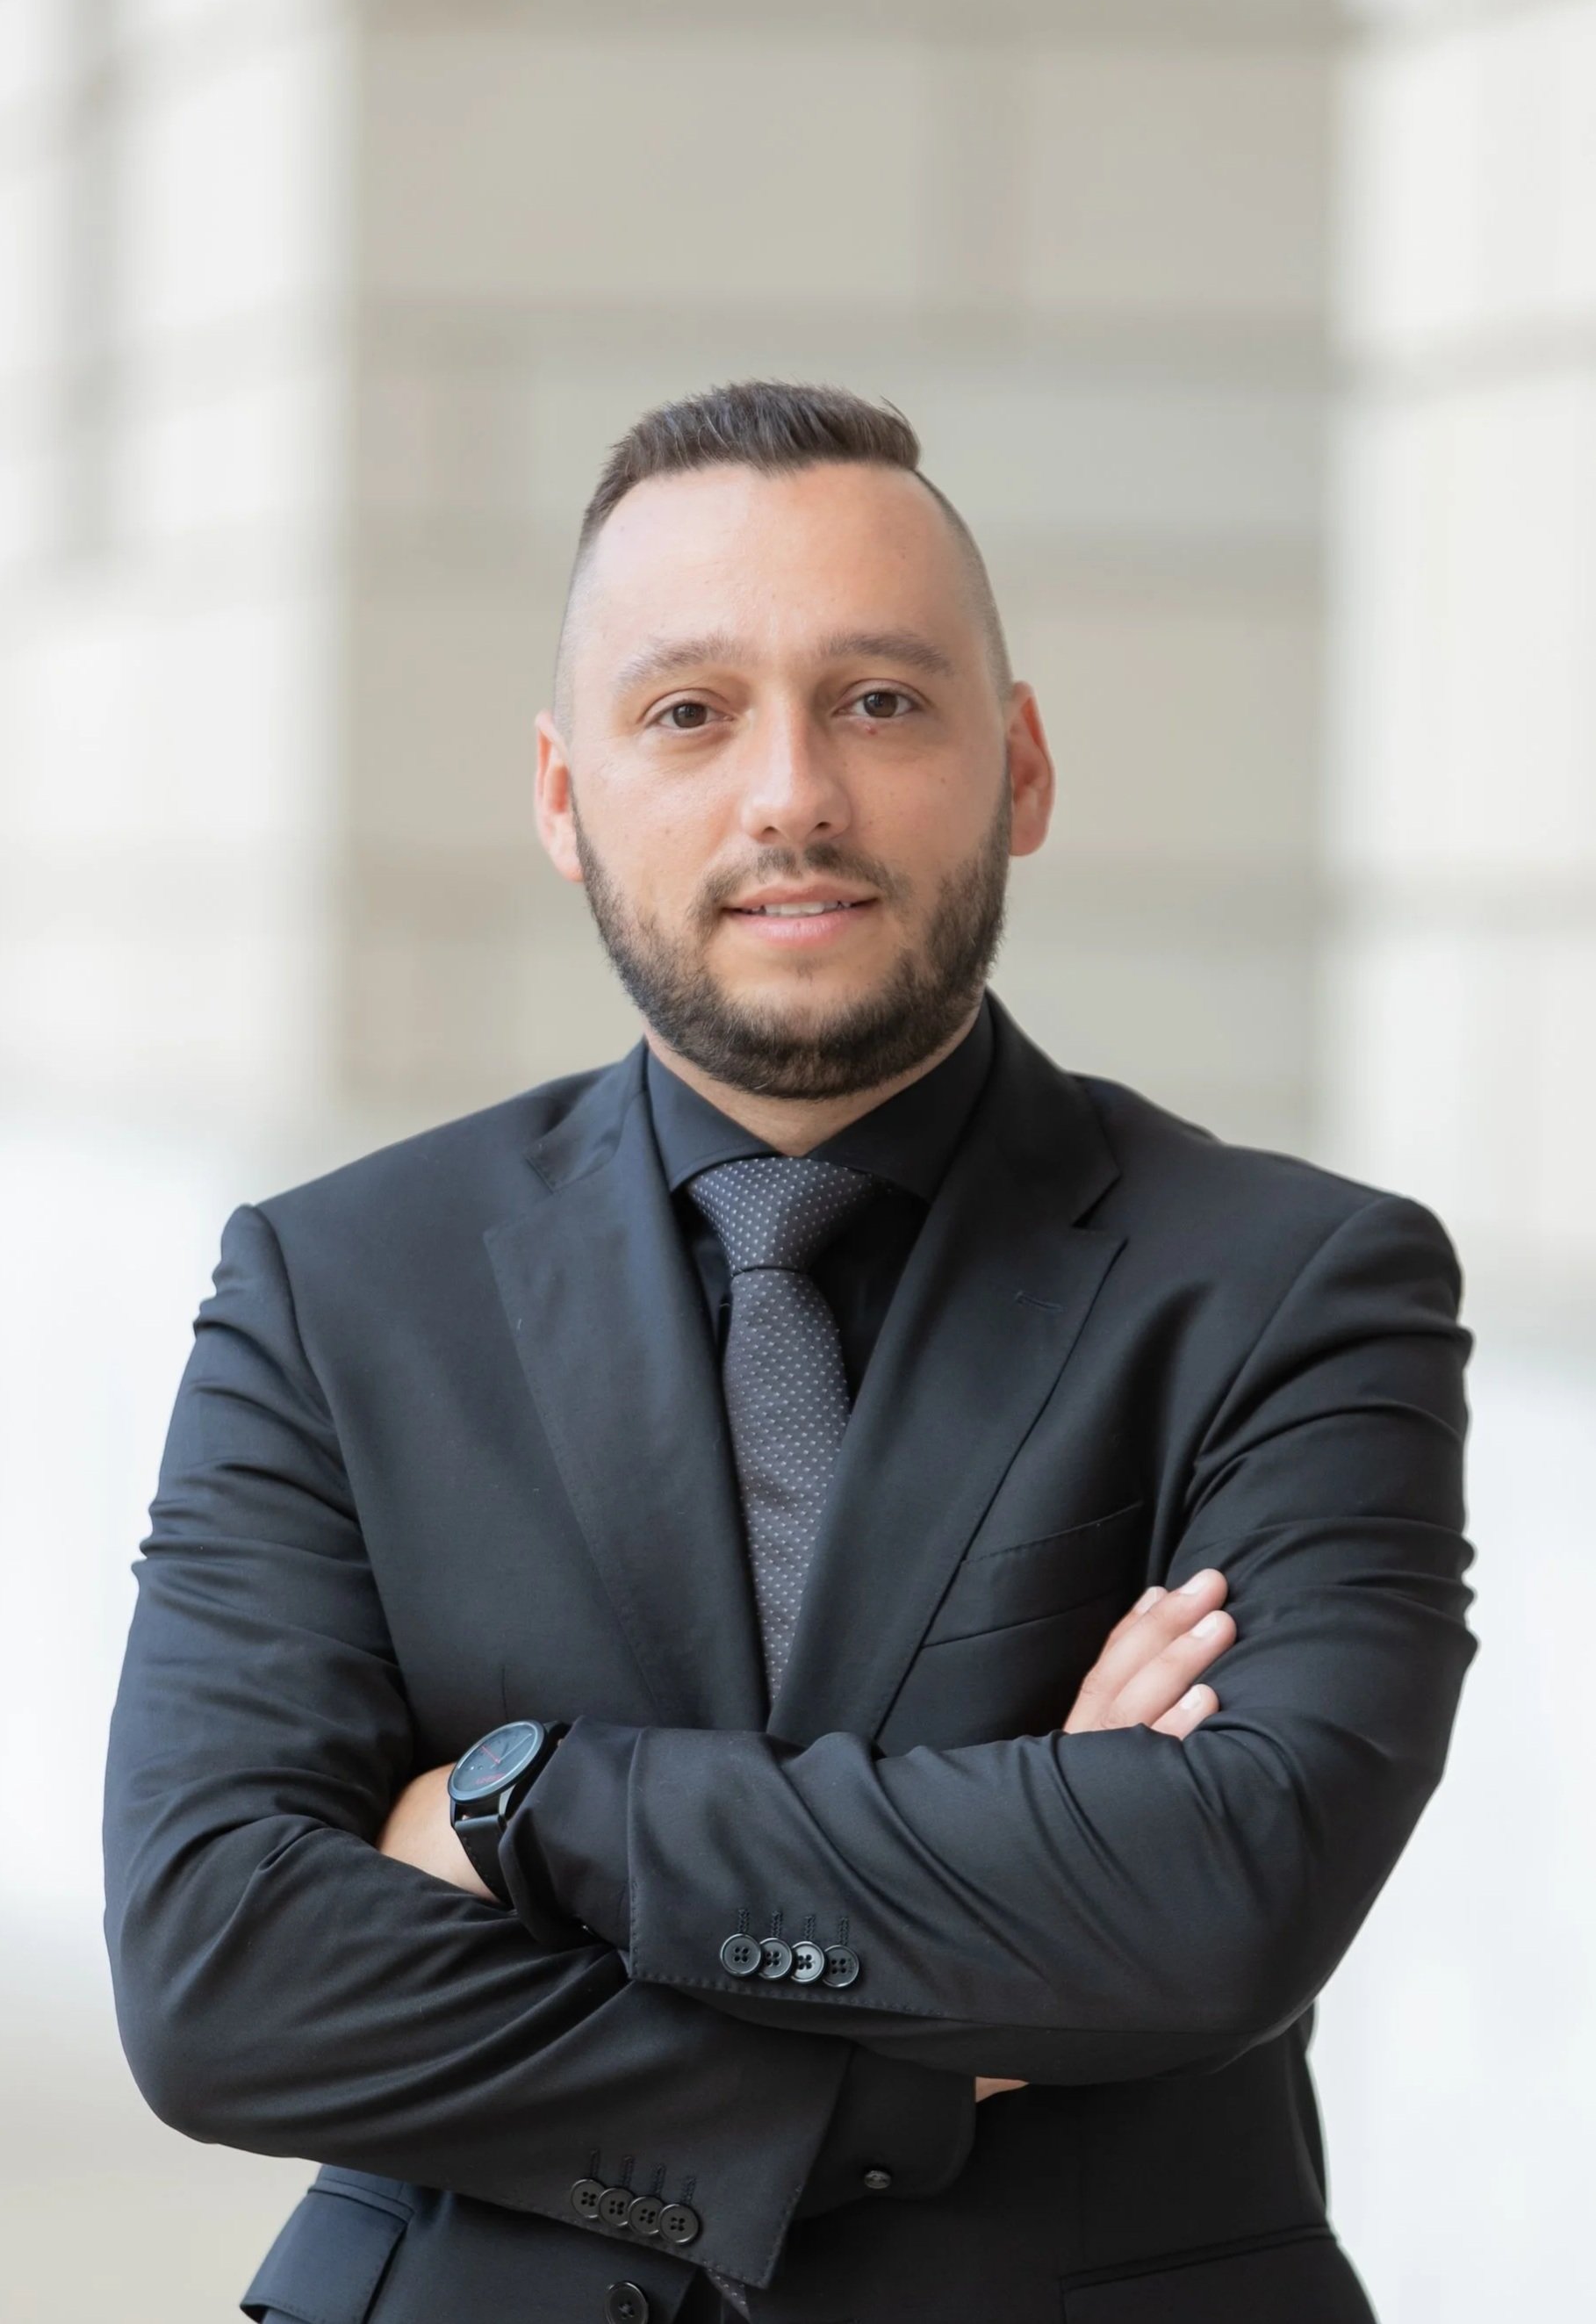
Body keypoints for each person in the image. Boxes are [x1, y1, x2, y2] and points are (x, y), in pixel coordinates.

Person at [103, 380, 1476, 2324]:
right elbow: (216, 1969)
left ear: (1022, 768)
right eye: (691, 710)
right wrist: (921, 2028)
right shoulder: (337, 1289)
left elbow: (1217, 1895)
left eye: (880, 699)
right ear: (566, 796)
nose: (790, 796)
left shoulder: (1296, 1281)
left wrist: (519, 1803)